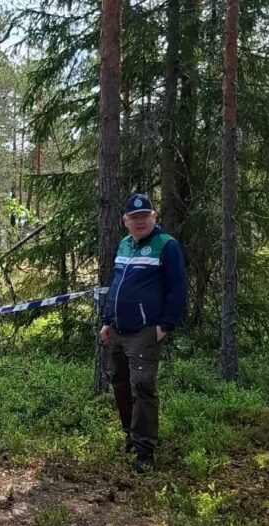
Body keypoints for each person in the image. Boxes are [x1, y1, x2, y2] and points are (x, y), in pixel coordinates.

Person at [99, 193, 187, 474]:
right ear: (125, 221)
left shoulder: (166, 246)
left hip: (145, 332)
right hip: (118, 330)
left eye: (144, 216)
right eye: (134, 218)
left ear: (154, 217)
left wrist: (165, 325)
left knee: (143, 387)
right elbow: (115, 285)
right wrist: (107, 321)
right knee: (120, 384)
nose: (140, 222)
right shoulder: (123, 245)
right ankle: (131, 434)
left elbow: (177, 288)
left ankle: (145, 451)